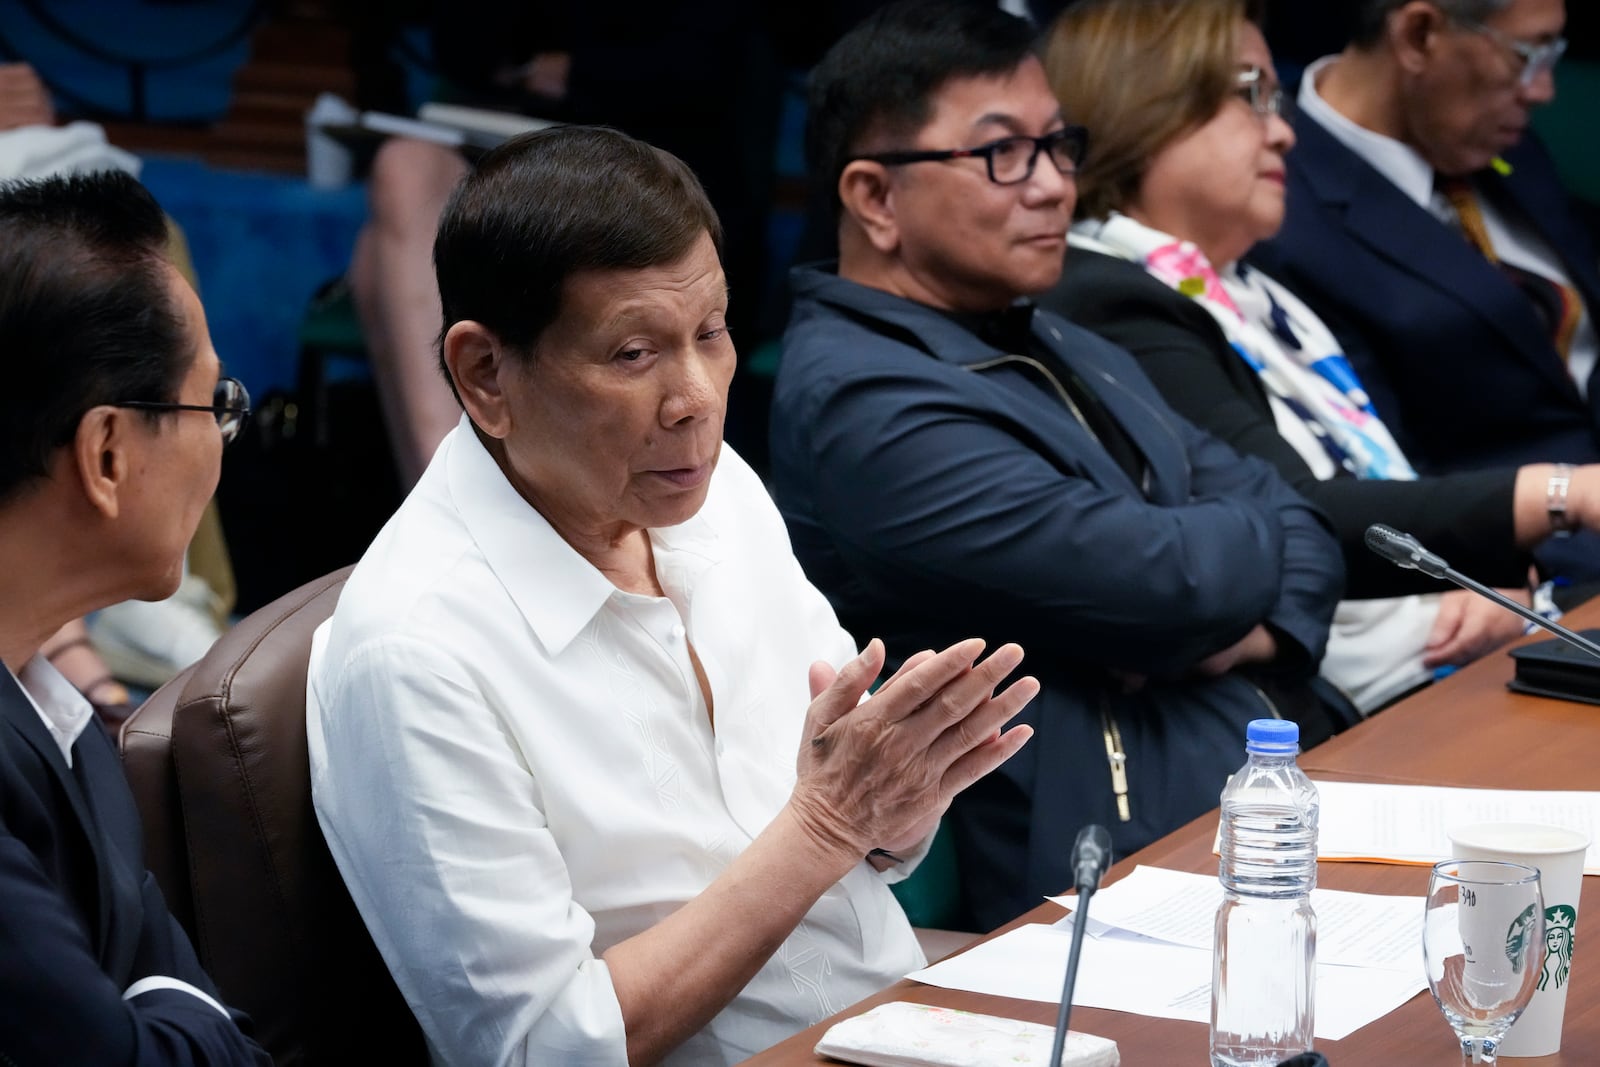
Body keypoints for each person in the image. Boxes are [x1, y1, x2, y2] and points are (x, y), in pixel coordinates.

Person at [305, 124, 1038, 1066]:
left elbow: (849, 817)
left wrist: (896, 806)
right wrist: (827, 826)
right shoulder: (414, 651)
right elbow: (539, 1048)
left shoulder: (712, 486)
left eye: (711, 333)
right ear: (485, 374)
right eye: (633, 354)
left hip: (888, 1021)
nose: (695, 397)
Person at [769, 0, 1347, 930]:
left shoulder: (1056, 333)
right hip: (1102, 865)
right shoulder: (864, 406)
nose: (1051, 187)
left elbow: (1300, 518)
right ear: (874, 197)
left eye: (1058, 146)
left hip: (1245, 776)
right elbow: (1173, 584)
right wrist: (1219, 577)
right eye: (1003, 155)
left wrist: (1240, 620)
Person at [1039, 0, 1600, 712]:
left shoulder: (1253, 287)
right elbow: (1292, 510)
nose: (1282, 133)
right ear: (1143, 106)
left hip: (1462, 641)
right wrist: (1564, 493)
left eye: (1277, 100)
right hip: (1365, 696)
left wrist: (1492, 575)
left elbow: (1387, 466)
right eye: (1251, 96)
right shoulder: (1109, 296)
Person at [0, 170, 268, 1064]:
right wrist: (158, 1001)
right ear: (107, 453)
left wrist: (155, 1002)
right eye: (214, 405)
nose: (221, 444)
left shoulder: (61, 716)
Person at [1245, 0, 1600, 581]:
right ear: (1419, 34)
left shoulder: (1491, 142)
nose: (1543, 91)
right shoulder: (1279, 213)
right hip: (1538, 560)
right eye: (1527, 54)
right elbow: (1394, 483)